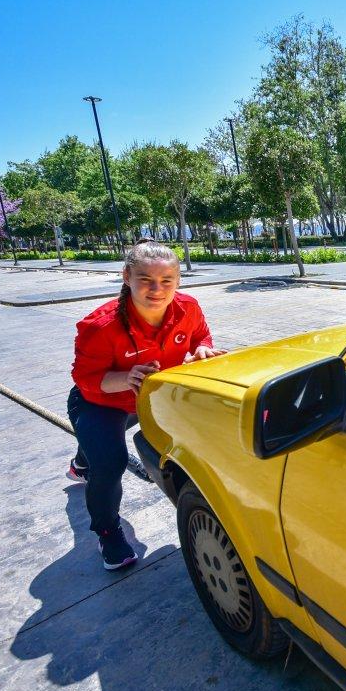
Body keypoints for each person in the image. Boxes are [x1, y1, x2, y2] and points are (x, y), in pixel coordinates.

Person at [67, 242, 226, 570]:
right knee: (110, 463)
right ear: (126, 276)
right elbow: (86, 379)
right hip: (100, 403)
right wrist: (126, 377)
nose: (157, 289)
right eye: (145, 279)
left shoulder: (189, 308)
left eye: (167, 280)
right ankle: (108, 530)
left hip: (151, 397)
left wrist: (203, 351)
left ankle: (83, 461)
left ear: (178, 281)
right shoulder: (99, 325)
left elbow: (201, 337)